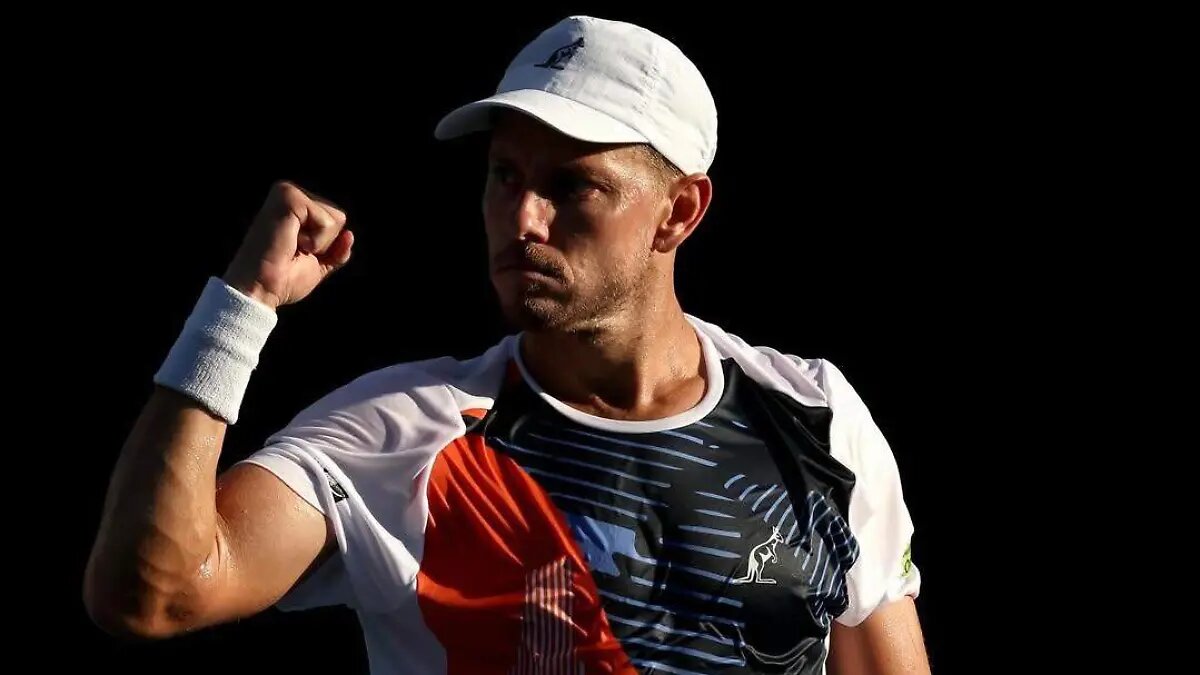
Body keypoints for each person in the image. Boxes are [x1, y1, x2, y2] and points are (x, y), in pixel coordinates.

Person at [83, 15, 930, 675]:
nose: (523, 218)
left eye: (572, 185)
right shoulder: (401, 432)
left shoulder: (818, 418)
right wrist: (241, 308)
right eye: (504, 176)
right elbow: (152, 593)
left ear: (678, 213)